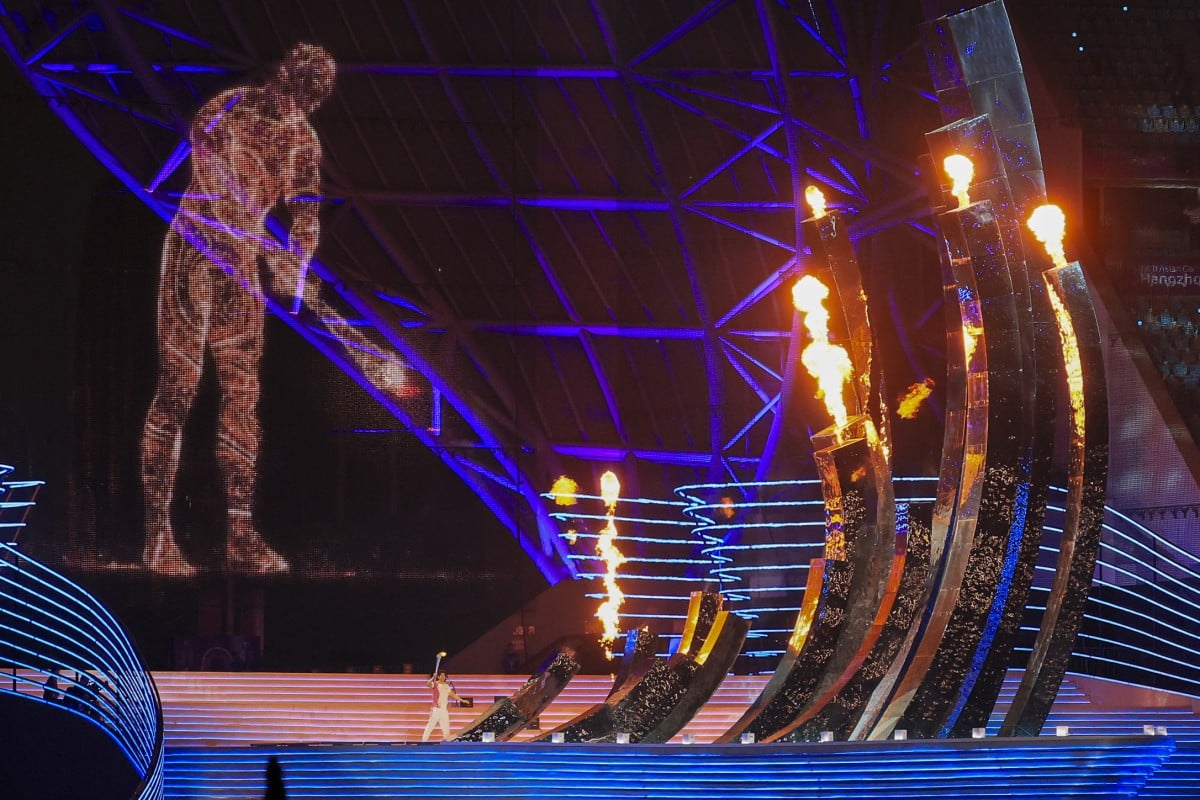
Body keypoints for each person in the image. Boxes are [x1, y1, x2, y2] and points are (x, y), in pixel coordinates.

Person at [140, 43, 336, 576]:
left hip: (241, 271)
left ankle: (241, 532)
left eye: (310, 98)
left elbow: (307, 215)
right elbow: (217, 189)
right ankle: (158, 534)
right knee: (179, 386)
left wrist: (295, 262)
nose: (299, 102)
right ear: (282, 78)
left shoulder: (303, 140)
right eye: (296, 88)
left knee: (243, 397)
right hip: (194, 254)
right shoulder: (227, 107)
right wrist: (264, 244)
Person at [421, 671, 462, 742]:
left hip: (444, 710)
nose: (443, 677)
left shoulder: (446, 686)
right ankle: (424, 741)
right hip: (436, 709)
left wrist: (462, 700)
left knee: (446, 727)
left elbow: (453, 695)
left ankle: (447, 742)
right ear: (438, 677)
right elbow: (428, 684)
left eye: (444, 676)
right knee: (430, 726)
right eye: (441, 675)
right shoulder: (435, 684)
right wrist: (433, 677)